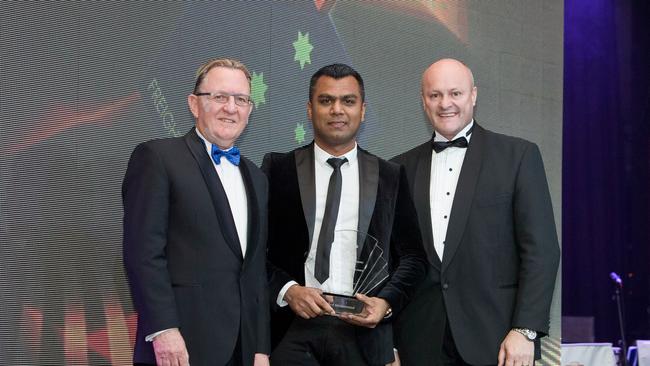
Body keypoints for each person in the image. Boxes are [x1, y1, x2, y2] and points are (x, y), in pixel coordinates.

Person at [392, 58, 560, 366]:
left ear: (473, 95)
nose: (445, 103)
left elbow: (542, 251)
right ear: (423, 101)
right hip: (418, 342)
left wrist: (525, 331)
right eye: (435, 95)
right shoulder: (398, 168)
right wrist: (387, 343)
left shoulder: (518, 156)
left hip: (497, 342)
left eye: (455, 93)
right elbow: (394, 262)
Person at [262, 63, 427, 366]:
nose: (337, 109)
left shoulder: (390, 176)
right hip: (290, 333)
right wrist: (289, 290)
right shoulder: (277, 169)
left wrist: (385, 303)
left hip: (363, 334)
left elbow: (415, 258)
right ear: (309, 110)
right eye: (326, 100)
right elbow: (256, 254)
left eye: (348, 101)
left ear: (362, 110)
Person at [122, 58, 270, 366]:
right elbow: (143, 253)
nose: (231, 108)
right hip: (180, 346)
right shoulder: (158, 158)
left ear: (249, 110)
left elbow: (254, 272)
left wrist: (259, 348)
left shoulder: (256, 177)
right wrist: (163, 330)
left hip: (241, 351)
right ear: (194, 104)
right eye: (219, 97)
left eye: (241, 99)